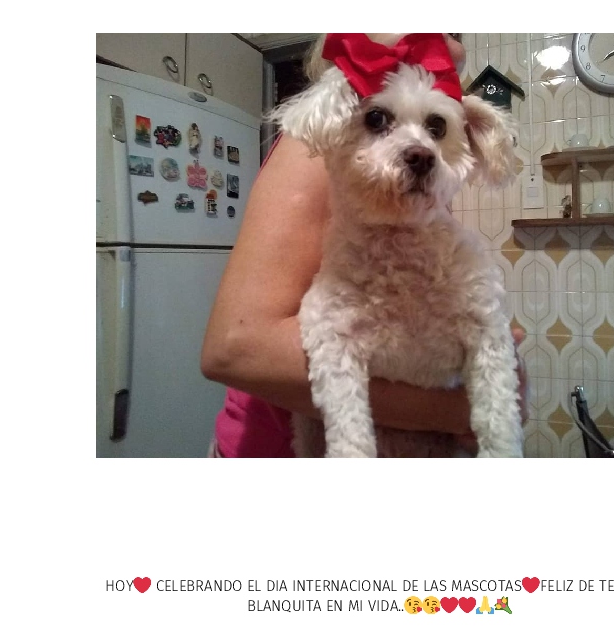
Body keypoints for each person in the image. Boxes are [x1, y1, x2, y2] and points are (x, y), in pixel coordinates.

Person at [200, 34, 526, 457]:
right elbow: (234, 348)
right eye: (378, 121)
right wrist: (456, 413)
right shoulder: (323, 143)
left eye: (435, 128)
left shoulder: (420, 191)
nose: (421, 148)